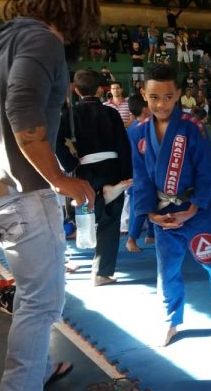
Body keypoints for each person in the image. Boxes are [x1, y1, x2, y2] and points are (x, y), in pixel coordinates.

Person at [0, 0, 99, 389]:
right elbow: (21, 106)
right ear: (74, 12)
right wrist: (57, 178)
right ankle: (21, 384)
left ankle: (40, 365)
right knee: (42, 300)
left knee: (40, 292)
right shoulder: (43, 40)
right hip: (24, 196)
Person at [128, 63, 211, 346]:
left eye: (168, 96)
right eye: (154, 97)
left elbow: (207, 171)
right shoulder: (137, 133)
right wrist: (151, 215)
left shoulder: (193, 128)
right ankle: (170, 321)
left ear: (178, 93)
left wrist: (194, 207)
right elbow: (140, 178)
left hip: (195, 212)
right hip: (163, 215)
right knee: (166, 271)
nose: (161, 103)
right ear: (144, 94)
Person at [56, 69, 132, 286]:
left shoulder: (69, 115)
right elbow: (123, 146)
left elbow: (55, 141)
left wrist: (70, 163)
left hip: (86, 169)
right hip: (112, 167)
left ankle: (99, 200)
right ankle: (101, 273)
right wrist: (126, 176)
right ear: (101, 89)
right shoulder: (111, 114)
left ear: (76, 90)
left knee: (88, 213)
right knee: (110, 222)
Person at [124, 94, 155, 253]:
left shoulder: (132, 129)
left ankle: (150, 234)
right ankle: (131, 239)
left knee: (151, 204)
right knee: (141, 208)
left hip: (138, 173)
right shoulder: (142, 129)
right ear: (145, 108)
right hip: (141, 175)